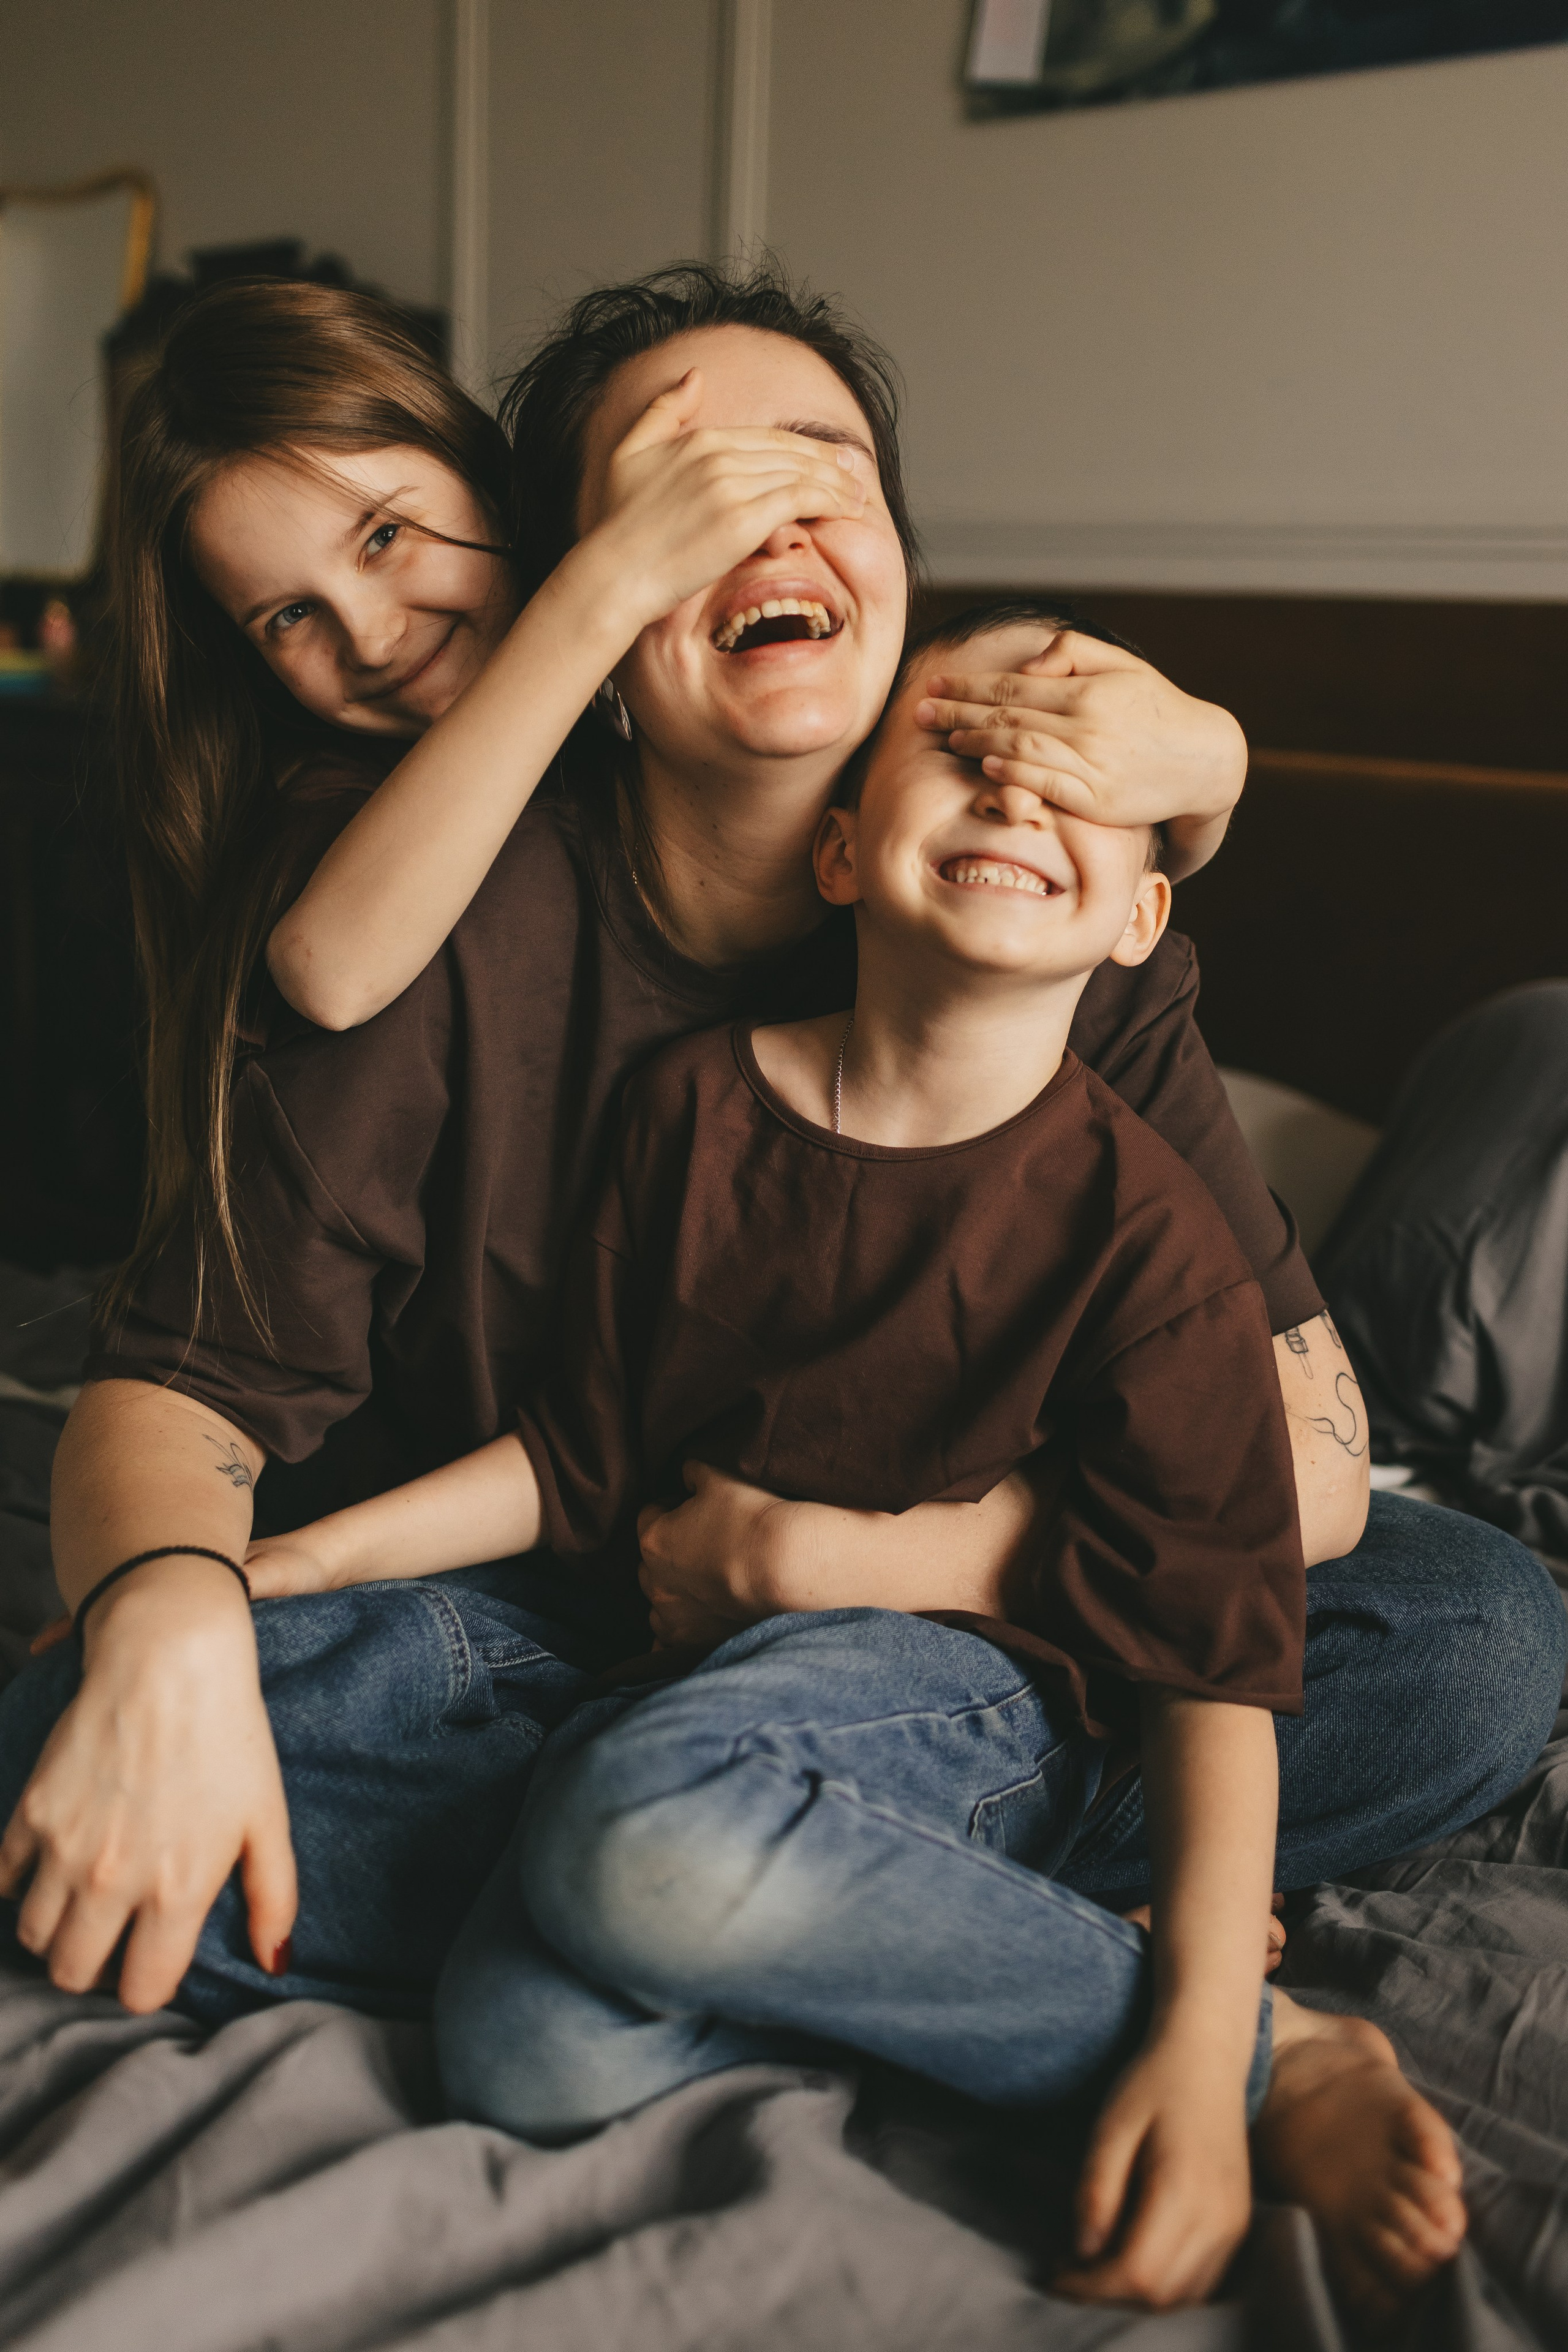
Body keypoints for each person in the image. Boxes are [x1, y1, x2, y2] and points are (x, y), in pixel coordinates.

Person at [0, 262, 1555, 2201]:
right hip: (540, 1628)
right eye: (685, 485)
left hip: (976, 1641)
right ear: (588, 597)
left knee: (1480, 1626)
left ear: (908, 575)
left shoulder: (1013, 880)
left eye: (817, 464)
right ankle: (893, 1925)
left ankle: (736, 1884)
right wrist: (174, 1619)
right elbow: (184, 1377)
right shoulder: (428, 884)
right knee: (64, 1740)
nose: (764, 509)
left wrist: (850, 1559)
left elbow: (1297, 1460)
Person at [238, 600, 1472, 2320]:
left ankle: (1275, 2058)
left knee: (630, 1843)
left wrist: (1201, 2050)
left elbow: (1212, 1657)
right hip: (694, 1693)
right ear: (836, 852)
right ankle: (926, 1929)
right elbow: (578, 1462)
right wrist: (285, 1564)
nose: (1012, 793)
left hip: (959, 1698)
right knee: (529, 2056)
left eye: (1068, 784)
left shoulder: (1153, 1241)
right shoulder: (686, 1112)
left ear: (1141, 917)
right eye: (958, 750)